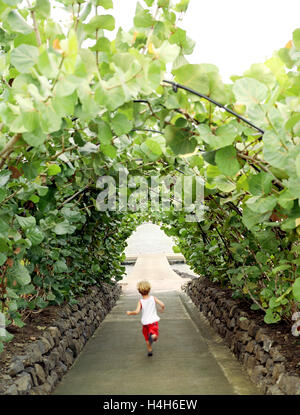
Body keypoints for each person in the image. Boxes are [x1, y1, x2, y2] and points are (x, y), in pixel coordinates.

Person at [126, 280, 165, 356]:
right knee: (154, 334)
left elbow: (137, 312)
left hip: (145, 323)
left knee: (146, 337)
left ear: (139, 291)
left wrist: (130, 312)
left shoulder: (140, 301)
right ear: (149, 290)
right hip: (153, 322)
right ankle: (153, 336)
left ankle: (150, 350)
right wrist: (162, 309)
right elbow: (162, 304)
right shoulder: (153, 298)